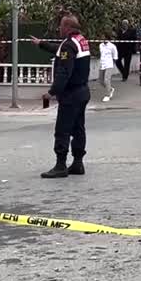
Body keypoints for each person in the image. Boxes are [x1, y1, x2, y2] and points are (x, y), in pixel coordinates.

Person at [31, 14, 91, 179]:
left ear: (67, 27)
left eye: (61, 26)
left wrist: (52, 92)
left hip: (71, 94)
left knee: (62, 130)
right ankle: (78, 163)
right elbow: (60, 50)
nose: (59, 28)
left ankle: (60, 165)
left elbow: (64, 71)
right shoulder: (80, 40)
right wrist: (41, 44)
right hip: (83, 91)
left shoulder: (68, 45)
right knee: (78, 128)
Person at [98, 33, 118, 102]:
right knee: (101, 81)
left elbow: (115, 56)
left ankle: (108, 95)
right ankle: (110, 89)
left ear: (107, 38)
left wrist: (112, 64)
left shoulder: (112, 46)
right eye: (102, 37)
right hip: (102, 64)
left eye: (103, 37)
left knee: (106, 80)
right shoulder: (100, 45)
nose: (102, 38)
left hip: (109, 65)